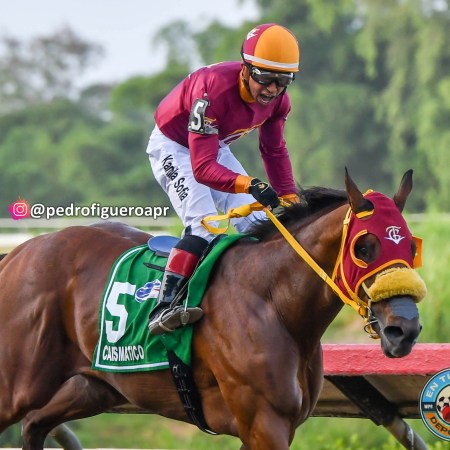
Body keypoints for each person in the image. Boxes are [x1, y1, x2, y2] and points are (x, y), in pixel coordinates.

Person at [146, 23, 301, 335]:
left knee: (260, 222)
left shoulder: (279, 102)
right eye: (265, 78)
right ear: (245, 69)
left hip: (213, 144)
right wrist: (250, 184)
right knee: (205, 226)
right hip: (174, 146)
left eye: (283, 80)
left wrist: (290, 197)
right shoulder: (213, 91)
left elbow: (274, 150)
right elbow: (203, 169)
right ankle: (164, 307)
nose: (272, 89)